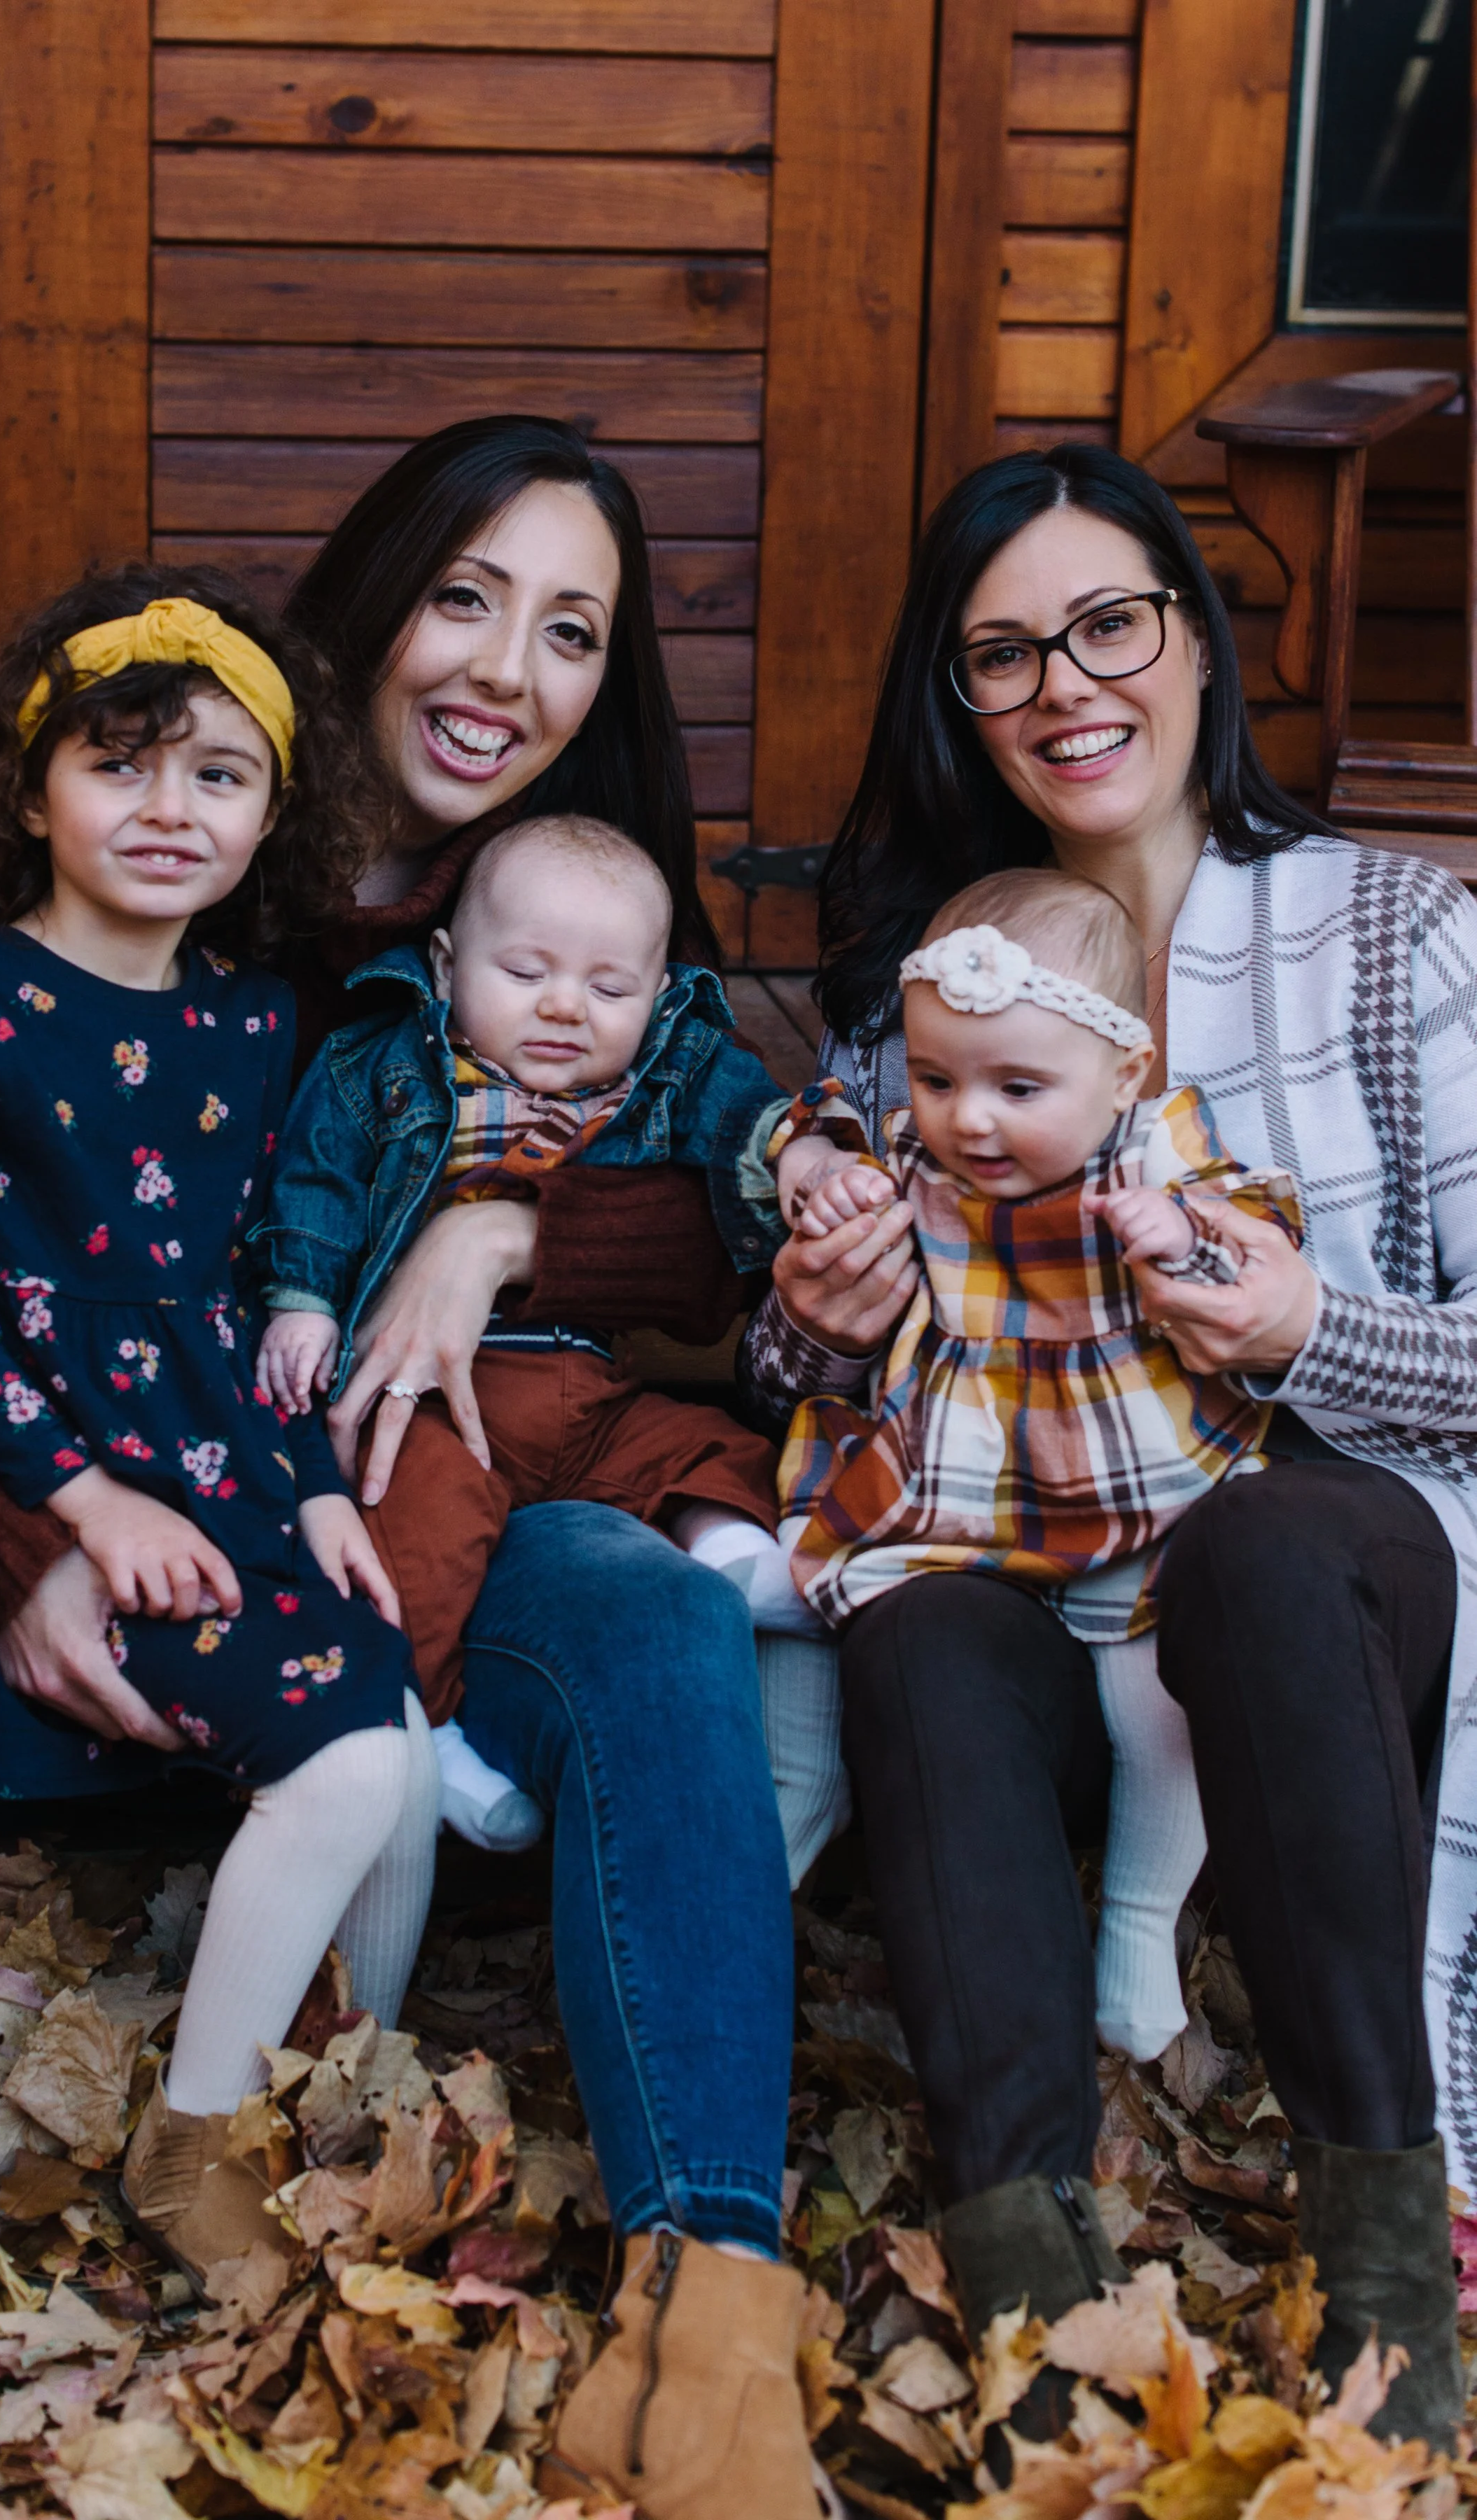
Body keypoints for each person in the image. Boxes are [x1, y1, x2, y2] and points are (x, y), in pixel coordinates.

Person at [0, 418, 828, 2519]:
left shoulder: (573, 921)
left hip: (376, 1561)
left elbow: (717, 1205)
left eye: (569, 632)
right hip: (87, 1547)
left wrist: (503, 1214)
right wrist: (26, 1544)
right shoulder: (163, 831)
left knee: (638, 1607)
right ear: (370, 606)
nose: (504, 671)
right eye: (465, 598)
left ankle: (710, 2286)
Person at [745, 442, 1477, 2450]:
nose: (1067, 684)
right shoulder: (927, 1010)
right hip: (1055, 1577)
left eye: (1109, 621)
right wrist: (813, 1316)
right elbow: (847, 1369)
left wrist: (1310, 1323)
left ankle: (1384, 2265)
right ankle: (1022, 2262)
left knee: (1265, 1545)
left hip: (1343, 1579)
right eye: (1001, 653)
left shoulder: (1394, 934)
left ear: (1192, 636)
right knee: (915, 1635)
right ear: (955, 702)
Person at [0, 571, 439, 2288]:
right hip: (81, 1462)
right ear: (31, 789)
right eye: (122, 766)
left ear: (276, 813)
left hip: (233, 1454)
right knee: (342, 1760)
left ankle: (337, 2093)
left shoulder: (261, 1024)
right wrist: (82, 1506)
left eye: (219, 776)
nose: (169, 810)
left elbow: (271, 1281)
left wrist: (320, 1478)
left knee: (395, 1748)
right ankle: (193, 2149)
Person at [774, 864, 1301, 2063]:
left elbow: (1251, 1236)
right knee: (839, 1598)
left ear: (1123, 1076)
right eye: (938, 1078)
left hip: (1134, 1481)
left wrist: (1185, 1240)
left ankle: (1137, 1917)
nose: (969, 1121)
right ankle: (788, 1806)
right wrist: (821, 1169)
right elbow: (809, 1129)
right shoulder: (925, 1152)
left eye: (1018, 1087)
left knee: (1152, 1690)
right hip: (963, 1475)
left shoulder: (1152, 1150)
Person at [256, 811, 821, 1844]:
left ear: (654, 998)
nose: (565, 1007)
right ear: (443, 962)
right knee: (409, 1546)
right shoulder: (378, 1066)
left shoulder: (665, 1069)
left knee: (716, 1449)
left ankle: (732, 1555)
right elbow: (316, 1183)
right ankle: (427, 1736)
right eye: (524, 972)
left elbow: (745, 1108)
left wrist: (801, 1155)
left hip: (587, 1391)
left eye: (610, 990)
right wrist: (299, 1302)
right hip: (433, 1401)